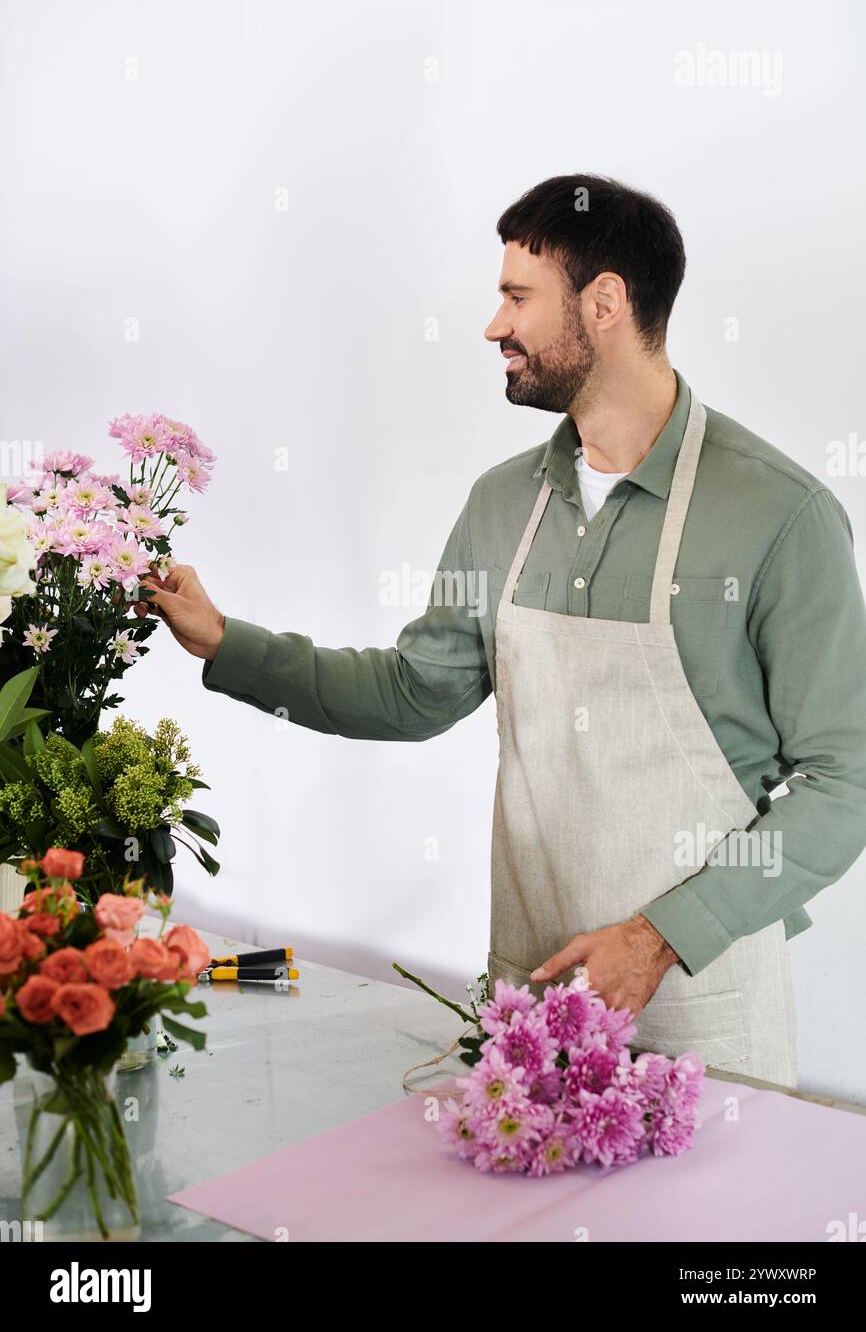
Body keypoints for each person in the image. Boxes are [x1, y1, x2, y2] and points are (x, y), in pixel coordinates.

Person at [137, 174, 866, 1088]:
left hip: (704, 1011)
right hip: (534, 1004)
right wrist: (224, 641)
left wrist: (659, 938)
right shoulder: (502, 502)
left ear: (605, 303)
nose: (494, 327)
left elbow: (845, 784)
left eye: (518, 298)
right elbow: (414, 693)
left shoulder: (779, 515)